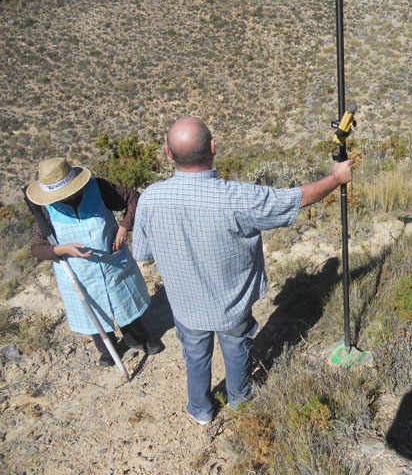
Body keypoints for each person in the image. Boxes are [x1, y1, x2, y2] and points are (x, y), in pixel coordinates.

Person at [132, 116, 352, 424]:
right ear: (213, 148)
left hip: (185, 306)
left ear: (169, 153)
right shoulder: (237, 198)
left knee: (194, 355)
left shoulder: (150, 199)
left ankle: (200, 409)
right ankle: (239, 400)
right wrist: (335, 179)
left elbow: (142, 253)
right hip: (231, 305)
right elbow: (295, 199)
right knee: (236, 349)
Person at [27, 157, 164, 367]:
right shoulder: (44, 209)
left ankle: (138, 339)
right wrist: (62, 249)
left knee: (123, 301)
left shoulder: (98, 187)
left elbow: (134, 198)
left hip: (112, 262)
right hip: (78, 271)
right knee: (92, 310)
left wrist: (124, 226)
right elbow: (37, 247)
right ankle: (109, 349)